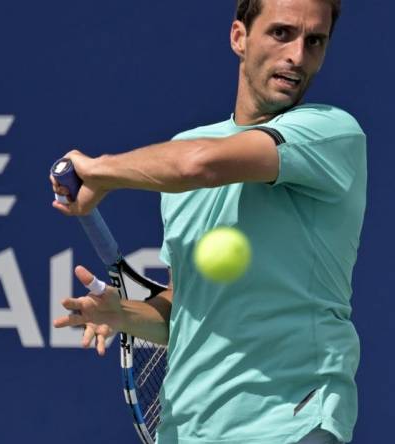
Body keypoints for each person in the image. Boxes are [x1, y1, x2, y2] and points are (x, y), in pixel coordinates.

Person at [51, 0, 365, 443]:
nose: (297, 55)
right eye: (281, 34)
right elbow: (188, 309)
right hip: (188, 431)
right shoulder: (185, 147)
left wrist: (99, 170)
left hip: (290, 423)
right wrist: (124, 314)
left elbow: (198, 166)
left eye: (314, 41)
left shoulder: (331, 133)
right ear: (240, 36)